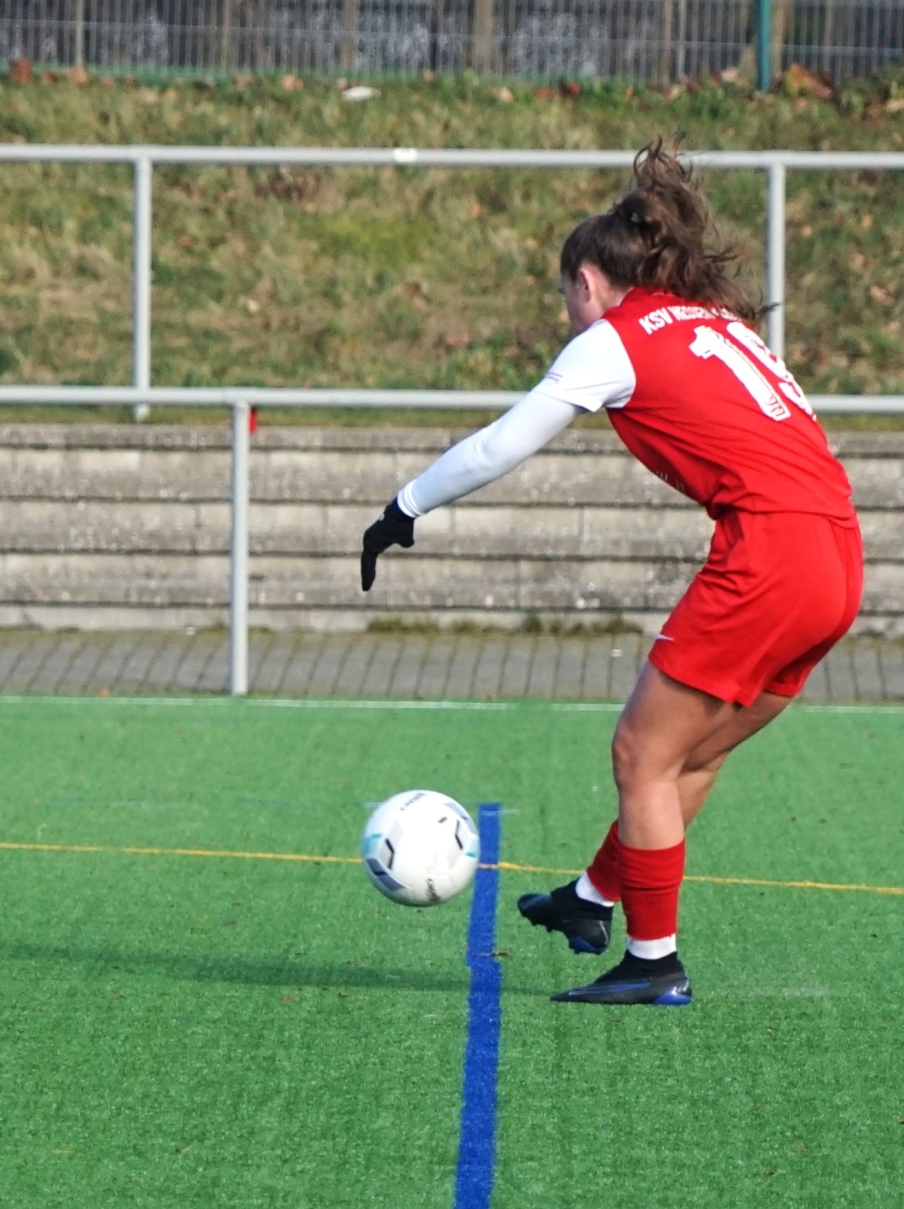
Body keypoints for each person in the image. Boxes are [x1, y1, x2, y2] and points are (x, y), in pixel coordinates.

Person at [360, 141, 861, 1006]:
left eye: (566, 294)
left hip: (771, 555)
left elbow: (500, 445)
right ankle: (592, 898)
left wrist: (404, 507)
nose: (567, 311)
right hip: (839, 557)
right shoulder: (717, 322)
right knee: (689, 753)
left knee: (639, 752)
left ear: (588, 282)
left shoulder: (614, 338)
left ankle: (654, 962)